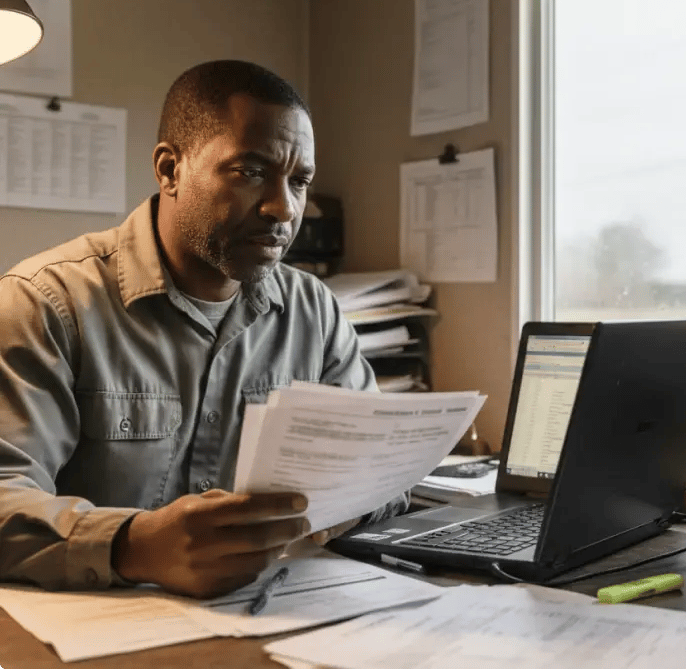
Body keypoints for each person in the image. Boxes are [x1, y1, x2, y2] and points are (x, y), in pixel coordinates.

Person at [0, 60, 407, 599]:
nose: (283, 208)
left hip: (281, 616)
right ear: (170, 170)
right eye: (251, 171)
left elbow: (384, 474)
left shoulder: (315, 312)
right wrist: (135, 546)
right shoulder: (45, 302)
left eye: (300, 181)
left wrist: (354, 500)